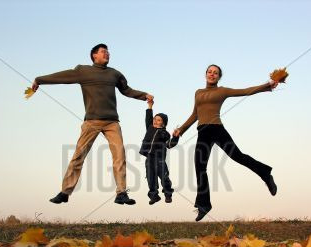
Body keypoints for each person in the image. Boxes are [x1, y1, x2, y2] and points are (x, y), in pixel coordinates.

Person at [31, 44, 153, 205]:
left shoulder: (115, 74)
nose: (107, 54)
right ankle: (65, 192)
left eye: (108, 52)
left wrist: (144, 95)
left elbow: (127, 90)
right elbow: (62, 76)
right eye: (103, 51)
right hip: (91, 121)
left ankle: (121, 193)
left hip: (112, 122)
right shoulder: (83, 71)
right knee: (78, 155)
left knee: (120, 155)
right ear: (94, 55)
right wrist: (40, 80)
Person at [173, 64, 279, 221]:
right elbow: (195, 114)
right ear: (206, 74)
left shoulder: (222, 91)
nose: (212, 74)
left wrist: (268, 85)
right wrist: (180, 130)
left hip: (217, 130)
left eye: (215, 73)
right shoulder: (198, 93)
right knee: (199, 166)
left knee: (238, 156)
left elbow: (245, 91)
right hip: (203, 132)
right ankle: (204, 205)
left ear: (219, 77)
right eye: (210, 72)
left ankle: (265, 174)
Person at [139, 100, 179, 204]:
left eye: (159, 120)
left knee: (164, 177)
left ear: (164, 123)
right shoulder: (150, 128)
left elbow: (170, 145)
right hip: (149, 158)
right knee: (150, 179)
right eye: (155, 119)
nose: (155, 121)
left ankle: (168, 194)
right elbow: (148, 118)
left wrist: (175, 137)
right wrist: (150, 106)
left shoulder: (165, 134)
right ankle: (154, 196)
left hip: (159, 159)